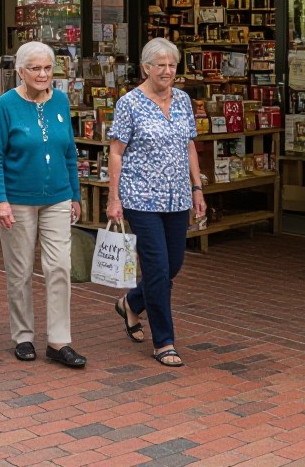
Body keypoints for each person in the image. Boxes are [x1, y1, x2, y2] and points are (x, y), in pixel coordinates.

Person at [0, 41, 86, 369]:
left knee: (59, 267)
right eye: (35, 69)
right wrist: (0, 200)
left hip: (57, 196)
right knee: (20, 270)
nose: (43, 75)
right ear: (20, 71)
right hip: (17, 200)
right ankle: (23, 336)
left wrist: (75, 194)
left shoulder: (60, 100)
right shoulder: (5, 105)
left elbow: (69, 151)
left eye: (47, 68)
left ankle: (59, 341)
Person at [106, 37, 206, 368]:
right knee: (158, 268)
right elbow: (116, 152)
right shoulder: (129, 104)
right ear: (146, 67)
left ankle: (131, 303)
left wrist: (197, 188)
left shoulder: (183, 100)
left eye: (172, 65)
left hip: (178, 197)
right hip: (141, 197)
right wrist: (113, 197)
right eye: (160, 65)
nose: (166, 71)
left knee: (173, 264)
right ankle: (164, 341)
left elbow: (189, 145)